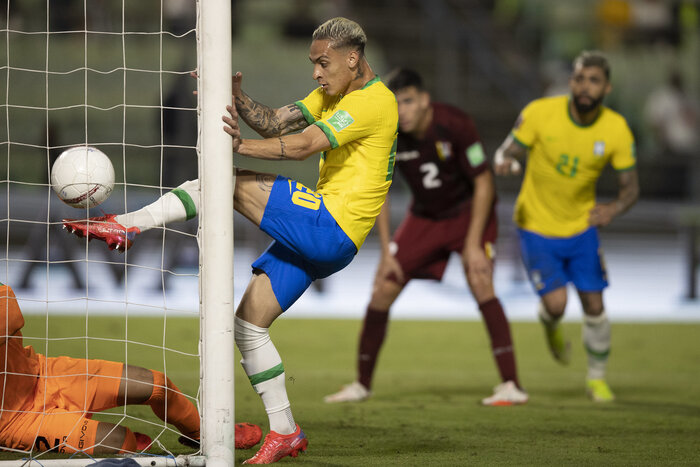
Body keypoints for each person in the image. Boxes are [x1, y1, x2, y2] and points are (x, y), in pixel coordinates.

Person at [63, 17, 398, 464]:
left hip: (329, 224)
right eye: (312, 63)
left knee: (225, 180)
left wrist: (233, 148)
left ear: (352, 59)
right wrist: (237, 99)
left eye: (323, 63)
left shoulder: (374, 102)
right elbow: (277, 123)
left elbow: (302, 146)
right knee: (248, 325)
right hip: (325, 238)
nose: (316, 73)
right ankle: (285, 431)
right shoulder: (333, 95)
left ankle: (127, 224)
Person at [323, 68, 528, 406]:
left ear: (424, 100)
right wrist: (387, 251)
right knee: (383, 287)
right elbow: (381, 190)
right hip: (426, 217)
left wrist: (475, 244)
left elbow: (483, 182)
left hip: (468, 213)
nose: (401, 110)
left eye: (408, 101)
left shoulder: (455, 124)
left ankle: (511, 385)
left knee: (480, 279)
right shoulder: (388, 133)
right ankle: (361, 384)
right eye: (396, 103)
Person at [493, 50, 639, 402]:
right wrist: (505, 164)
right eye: (579, 78)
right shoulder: (541, 112)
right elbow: (505, 152)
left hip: (581, 228)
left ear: (607, 88)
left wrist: (614, 209)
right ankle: (551, 326)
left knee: (594, 305)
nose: (585, 86)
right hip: (535, 226)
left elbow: (631, 188)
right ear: (571, 82)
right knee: (556, 305)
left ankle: (597, 379)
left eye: (593, 81)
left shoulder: (616, 129)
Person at [0, 282, 263, 455]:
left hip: (44, 373)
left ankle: (203, 435)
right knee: (118, 441)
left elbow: (10, 313)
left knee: (156, 385)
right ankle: (127, 446)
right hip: (15, 421)